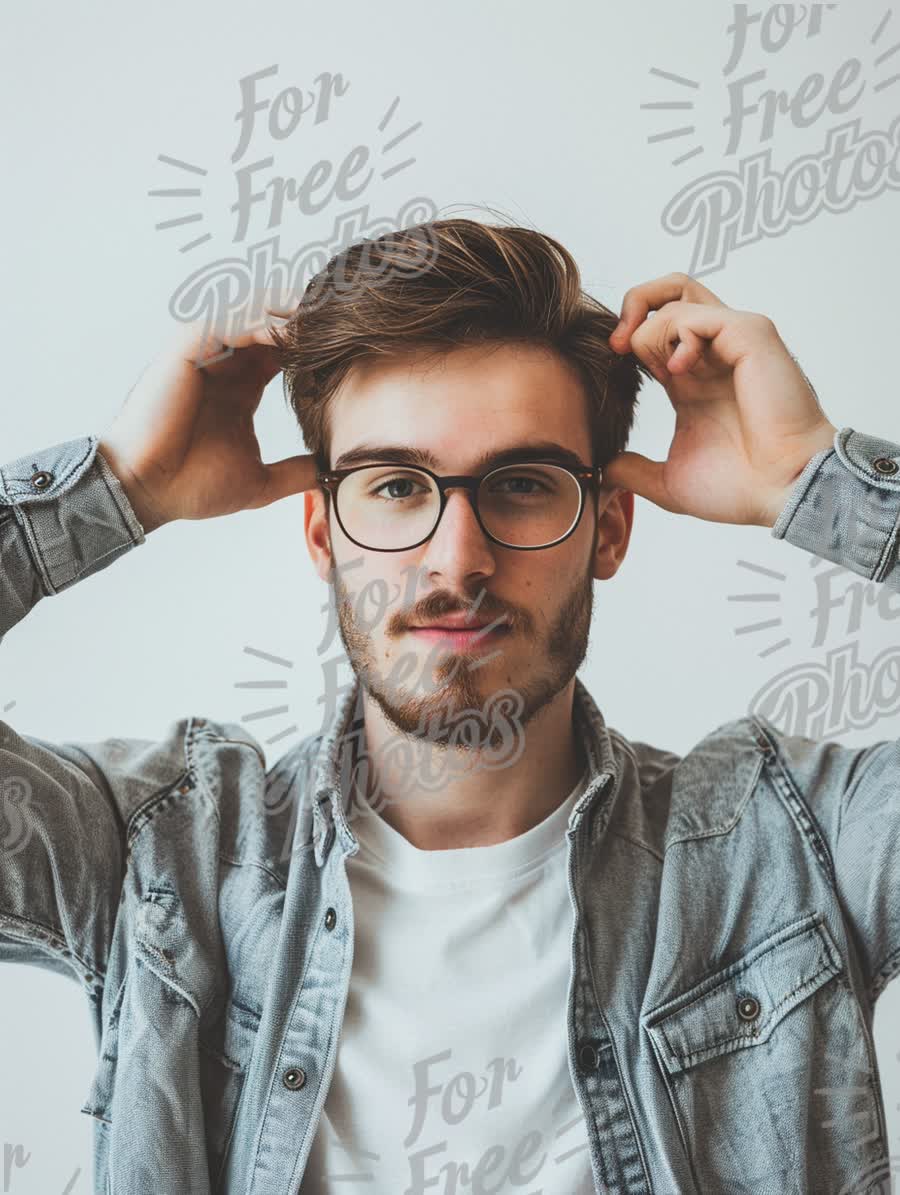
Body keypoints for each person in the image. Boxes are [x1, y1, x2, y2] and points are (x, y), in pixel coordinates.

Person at [1, 218, 897, 1195]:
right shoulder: (163, 855)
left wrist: (818, 482)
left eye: (520, 484)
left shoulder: (795, 846)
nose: (457, 558)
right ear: (321, 530)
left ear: (609, 529)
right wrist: (113, 490)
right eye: (394, 485)